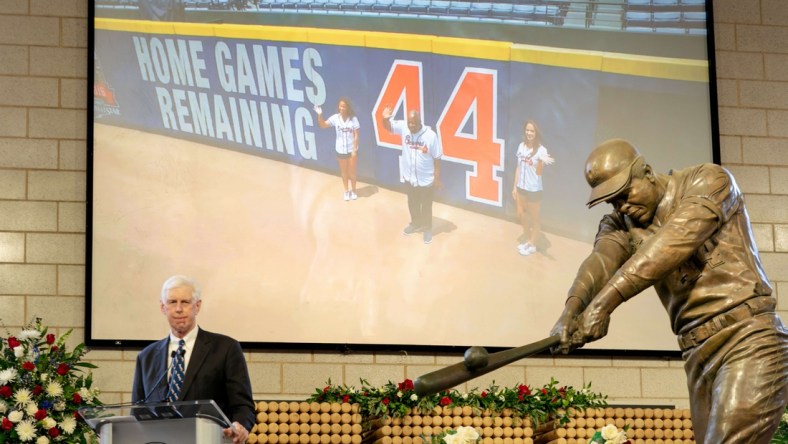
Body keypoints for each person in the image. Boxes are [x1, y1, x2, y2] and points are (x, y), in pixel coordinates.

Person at [549, 139, 788, 443]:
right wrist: (571, 311)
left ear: (647, 171)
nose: (622, 206)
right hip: (698, 355)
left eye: (624, 194)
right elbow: (600, 262)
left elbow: (672, 244)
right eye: (613, 201)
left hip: (748, 338)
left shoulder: (708, 181)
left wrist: (604, 304)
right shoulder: (619, 223)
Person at [132, 275, 255, 444]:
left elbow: (242, 406)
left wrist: (240, 425)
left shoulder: (225, 348)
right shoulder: (146, 357)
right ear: (162, 307)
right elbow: (137, 412)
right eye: (172, 302)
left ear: (197, 306)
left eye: (185, 302)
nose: (178, 309)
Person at [381, 106, 442, 244]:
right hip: (409, 176)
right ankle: (415, 223)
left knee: (426, 205)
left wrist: (437, 178)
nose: (411, 125)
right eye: (409, 122)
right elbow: (388, 127)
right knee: (412, 202)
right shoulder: (404, 128)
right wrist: (383, 118)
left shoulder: (430, 135)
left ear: (420, 121)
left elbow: (437, 157)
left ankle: (427, 228)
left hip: (426, 178)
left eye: (414, 123)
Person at [511, 120, 554, 256]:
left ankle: (532, 244)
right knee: (521, 214)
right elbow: (518, 167)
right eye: (527, 130)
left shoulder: (541, 150)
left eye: (532, 131)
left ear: (536, 133)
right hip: (521, 188)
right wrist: (514, 187)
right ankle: (528, 238)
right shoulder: (521, 146)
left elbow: (539, 173)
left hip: (534, 189)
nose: (529, 133)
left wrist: (541, 162)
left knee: (535, 218)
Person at [315, 98, 361, 201]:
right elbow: (323, 125)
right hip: (340, 150)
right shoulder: (336, 118)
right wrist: (319, 114)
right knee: (344, 172)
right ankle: (346, 191)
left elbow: (356, 135)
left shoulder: (353, 119)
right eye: (340, 106)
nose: (342, 108)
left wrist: (354, 150)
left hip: (351, 149)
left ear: (347, 107)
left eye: (344, 106)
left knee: (352, 173)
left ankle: (353, 191)